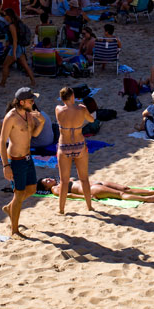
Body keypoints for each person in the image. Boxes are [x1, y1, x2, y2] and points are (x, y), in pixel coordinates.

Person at [0, 87, 47, 236]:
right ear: (22, 102)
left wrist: (42, 122)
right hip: (15, 160)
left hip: (27, 158)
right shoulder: (11, 117)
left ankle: (10, 207)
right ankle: (14, 231)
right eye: (31, 100)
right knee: (19, 194)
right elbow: (2, 141)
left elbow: (33, 135)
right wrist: (5, 166)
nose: (33, 103)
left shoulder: (29, 115)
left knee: (32, 189)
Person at [55, 86, 95, 214]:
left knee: (64, 181)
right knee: (84, 178)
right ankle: (89, 206)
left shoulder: (58, 109)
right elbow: (92, 119)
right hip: (79, 144)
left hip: (64, 146)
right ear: (72, 96)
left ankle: (61, 209)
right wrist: (83, 109)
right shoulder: (81, 109)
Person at [37, 177, 154, 203]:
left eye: (47, 178)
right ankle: (148, 198)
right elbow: (68, 195)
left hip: (95, 182)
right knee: (120, 194)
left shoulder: (61, 180)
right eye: (46, 182)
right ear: (46, 188)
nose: (49, 180)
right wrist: (84, 198)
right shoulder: (55, 189)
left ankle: (153, 192)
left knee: (125, 188)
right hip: (91, 189)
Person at [0, 7, 36, 87]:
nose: (4, 17)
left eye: (5, 15)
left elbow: (15, 40)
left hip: (16, 48)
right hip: (21, 47)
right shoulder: (18, 23)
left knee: (5, 65)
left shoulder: (12, 26)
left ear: (9, 16)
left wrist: (14, 53)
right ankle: (33, 81)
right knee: (25, 66)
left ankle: (2, 83)